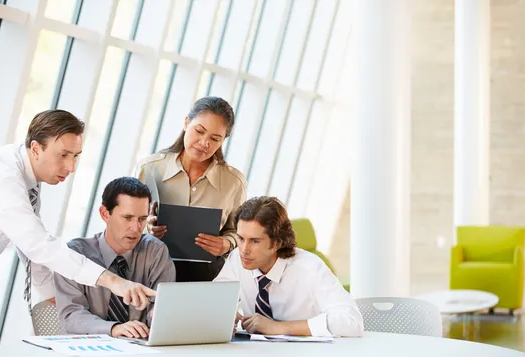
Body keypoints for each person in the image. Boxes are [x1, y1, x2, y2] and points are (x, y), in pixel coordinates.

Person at [0, 110, 154, 357]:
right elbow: (40, 245)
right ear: (35, 148)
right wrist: (114, 282)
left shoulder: (25, 178)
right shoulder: (1, 178)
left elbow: (34, 256)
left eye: (76, 156)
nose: (71, 167)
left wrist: (50, 325)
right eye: (64, 155)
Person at [214, 196, 364, 337]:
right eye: (241, 238)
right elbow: (214, 298)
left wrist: (279, 327)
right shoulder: (236, 259)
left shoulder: (309, 268)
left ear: (277, 243)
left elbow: (351, 321)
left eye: (255, 241)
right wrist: (225, 311)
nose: (244, 250)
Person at [133, 96, 246, 282]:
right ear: (186, 123)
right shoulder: (150, 169)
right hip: (149, 272)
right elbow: (126, 220)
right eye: (199, 131)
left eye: (215, 138)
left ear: (223, 140)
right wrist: (147, 228)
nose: (204, 143)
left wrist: (227, 244)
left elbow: (239, 232)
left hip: (204, 278)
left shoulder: (234, 182)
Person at [53, 177, 175, 338]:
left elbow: (164, 307)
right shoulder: (75, 255)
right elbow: (71, 315)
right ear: (105, 214)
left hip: (140, 351)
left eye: (142, 219)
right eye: (127, 217)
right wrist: (113, 328)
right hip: (88, 350)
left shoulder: (155, 251)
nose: (136, 227)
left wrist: (157, 315)